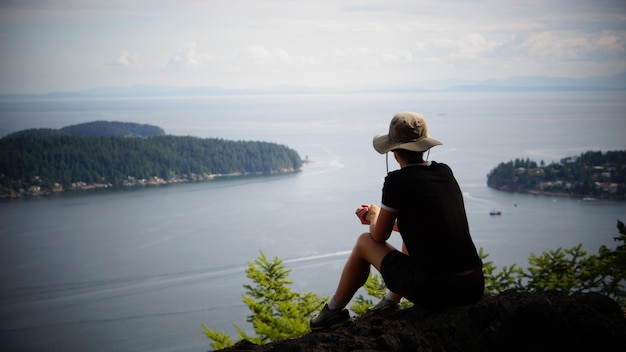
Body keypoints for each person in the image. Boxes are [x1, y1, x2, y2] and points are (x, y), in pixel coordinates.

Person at [309, 111, 484, 330]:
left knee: (364, 241)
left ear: (393, 152)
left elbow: (378, 237)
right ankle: (391, 301)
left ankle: (332, 312)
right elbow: (424, 227)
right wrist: (383, 219)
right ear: (424, 147)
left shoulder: (397, 181)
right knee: (408, 235)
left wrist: (374, 216)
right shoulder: (444, 171)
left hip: (439, 292)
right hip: (474, 285)